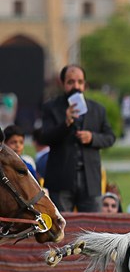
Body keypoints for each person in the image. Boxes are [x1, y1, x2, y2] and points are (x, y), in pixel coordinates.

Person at [40, 64, 116, 212]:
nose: (76, 86)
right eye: (71, 82)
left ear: (84, 85)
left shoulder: (97, 109)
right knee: (62, 226)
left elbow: (110, 137)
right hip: (61, 179)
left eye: (80, 82)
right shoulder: (51, 107)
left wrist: (92, 138)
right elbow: (44, 137)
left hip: (90, 179)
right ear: (63, 84)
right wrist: (65, 123)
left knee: (92, 227)